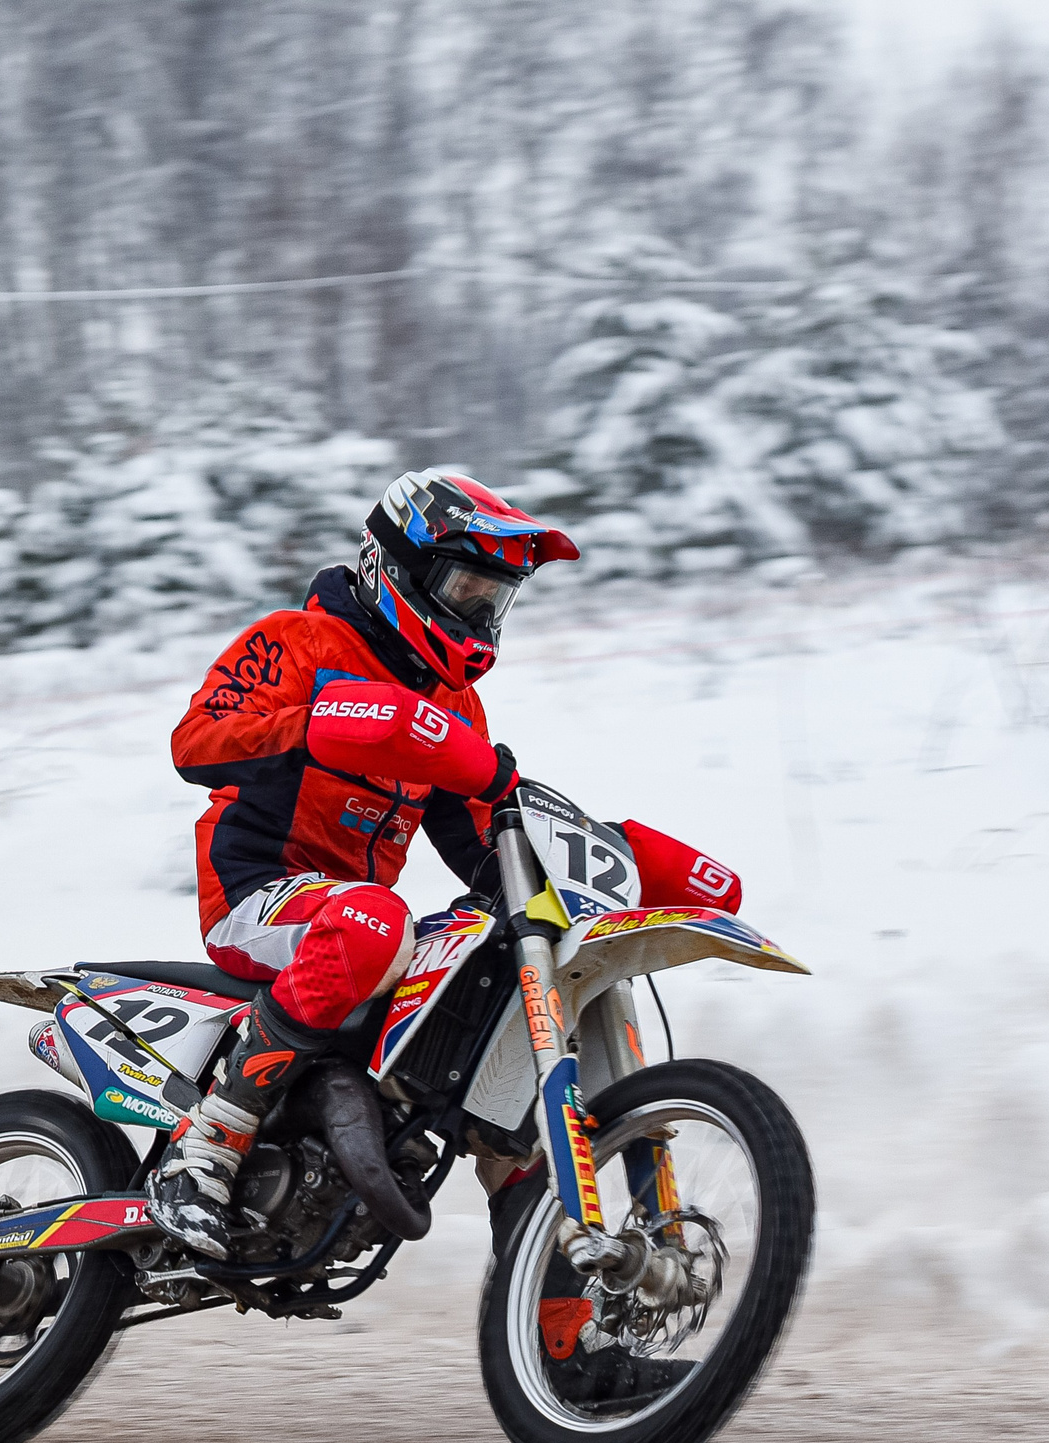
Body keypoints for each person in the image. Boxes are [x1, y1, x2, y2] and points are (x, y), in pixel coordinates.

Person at [148, 471, 744, 1264]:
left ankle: (560, 1313)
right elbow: (194, 742)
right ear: (395, 566)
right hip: (253, 891)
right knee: (374, 921)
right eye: (466, 589)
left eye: (494, 599)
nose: (478, 614)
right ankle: (206, 1148)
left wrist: (589, 870)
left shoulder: (453, 703)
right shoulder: (296, 640)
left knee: (487, 975)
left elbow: (477, 844)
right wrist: (319, 724)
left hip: (353, 917)